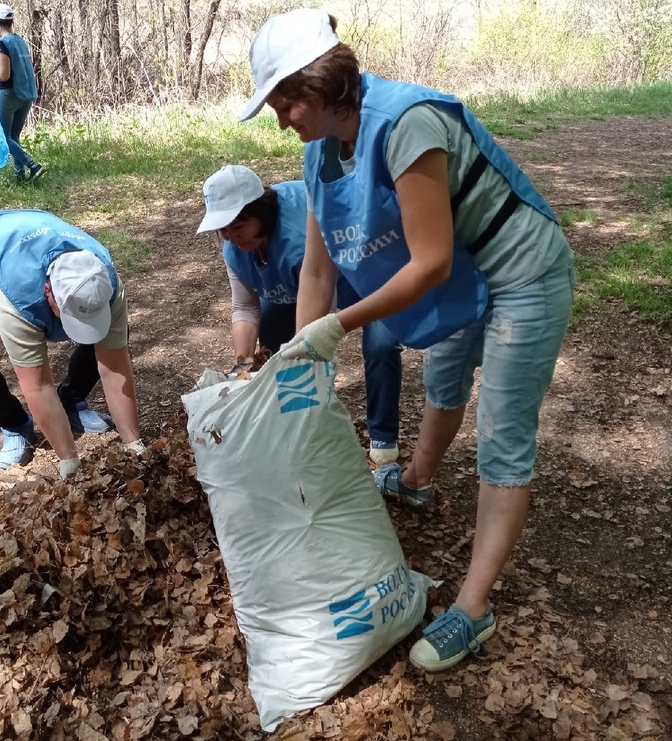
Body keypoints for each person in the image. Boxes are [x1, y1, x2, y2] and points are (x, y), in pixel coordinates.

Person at [240, 8, 575, 673]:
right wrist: (304, 356)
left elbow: (430, 262)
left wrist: (341, 324)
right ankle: (416, 479)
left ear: (315, 84)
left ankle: (473, 610)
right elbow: (316, 267)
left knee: (501, 427)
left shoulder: (407, 124)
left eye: (283, 103)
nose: (281, 121)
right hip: (461, 280)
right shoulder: (317, 156)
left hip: (520, 270)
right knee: (446, 383)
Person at [197, 164, 403, 466]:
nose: (230, 237)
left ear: (262, 213)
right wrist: (242, 366)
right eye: (223, 228)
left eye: (238, 227)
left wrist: (304, 355)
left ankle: (384, 445)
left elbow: (319, 322)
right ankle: (300, 425)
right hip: (301, 283)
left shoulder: (298, 239)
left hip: (369, 273)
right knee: (273, 332)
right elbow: (245, 307)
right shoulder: (233, 248)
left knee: (381, 346)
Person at [0, 208, 146, 477]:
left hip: (30, 239)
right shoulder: (19, 297)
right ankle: (15, 424)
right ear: (48, 292)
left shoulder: (105, 279)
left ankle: (72, 401)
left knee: (106, 334)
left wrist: (134, 446)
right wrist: (70, 463)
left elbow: (114, 367)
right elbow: (38, 385)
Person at [0, 3, 44, 182]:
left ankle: (33, 165)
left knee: (4, 138)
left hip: (8, 95)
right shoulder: (20, 41)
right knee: (14, 136)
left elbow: (3, 75)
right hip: (26, 95)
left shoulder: (3, 44)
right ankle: (19, 175)